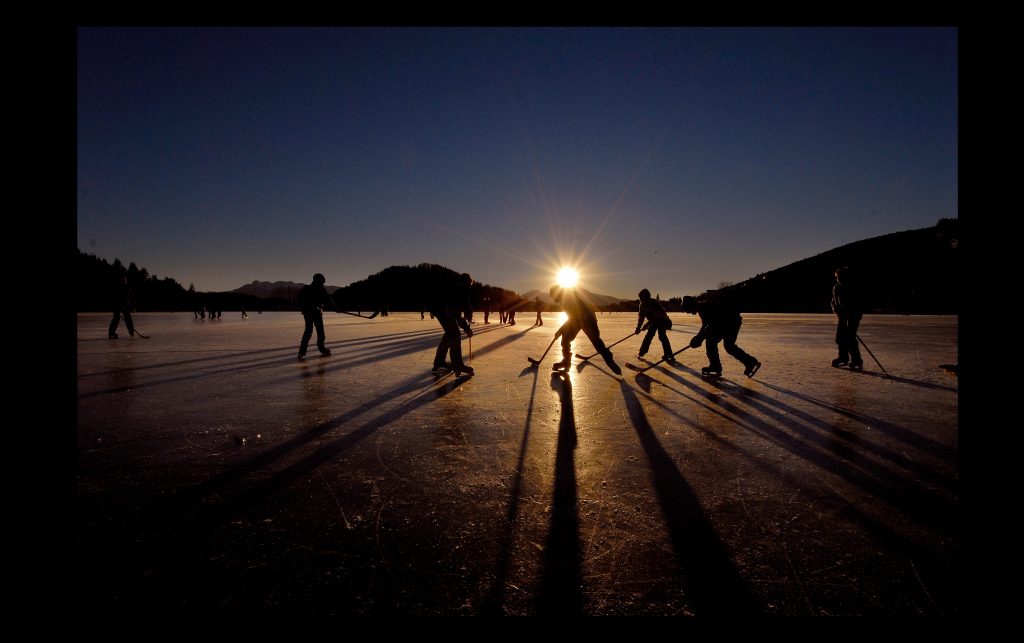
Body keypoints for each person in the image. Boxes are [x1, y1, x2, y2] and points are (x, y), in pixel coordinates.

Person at [681, 295, 761, 378]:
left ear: (690, 305)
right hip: (728, 322)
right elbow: (706, 326)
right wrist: (699, 338)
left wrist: (699, 338)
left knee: (714, 343)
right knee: (725, 345)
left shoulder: (703, 307)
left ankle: (716, 366)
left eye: (687, 310)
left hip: (730, 322)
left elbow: (709, 326)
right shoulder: (701, 307)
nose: (688, 312)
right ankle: (749, 362)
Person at [550, 285, 621, 375]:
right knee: (566, 339)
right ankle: (566, 362)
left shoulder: (567, 299)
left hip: (587, 320)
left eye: (552, 296)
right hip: (579, 320)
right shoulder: (565, 298)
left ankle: (610, 361)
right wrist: (561, 330)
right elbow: (573, 318)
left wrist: (560, 330)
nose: (552, 299)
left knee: (596, 341)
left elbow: (572, 318)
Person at [429, 272, 475, 376]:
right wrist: (467, 327)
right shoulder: (460, 290)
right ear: (467, 283)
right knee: (454, 334)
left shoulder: (457, 288)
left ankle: (440, 362)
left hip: (439, 308)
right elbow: (457, 315)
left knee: (451, 334)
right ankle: (456, 365)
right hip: (441, 308)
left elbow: (457, 315)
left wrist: (466, 327)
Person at [297, 273, 339, 359]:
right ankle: (302, 350)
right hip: (308, 312)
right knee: (308, 331)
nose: (322, 284)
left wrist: (335, 307)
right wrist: (306, 306)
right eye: (321, 282)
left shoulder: (322, 290)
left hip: (317, 313)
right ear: (316, 281)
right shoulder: (307, 288)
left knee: (321, 332)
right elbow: (299, 299)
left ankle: (321, 348)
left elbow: (328, 300)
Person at [831, 266, 864, 370]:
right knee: (840, 337)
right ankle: (843, 357)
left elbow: (858, 304)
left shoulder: (854, 288)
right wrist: (836, 310)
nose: (838, 279)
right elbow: (834, 302)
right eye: (837, 277)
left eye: (840, 277)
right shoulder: (836, 288)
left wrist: (850, 313)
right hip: (842, 316)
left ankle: (856, 360)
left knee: (850, 337)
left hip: (853, 316)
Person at [634, 288, 674, 361]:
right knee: (648, 336)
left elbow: (659, 315)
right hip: (653, 322)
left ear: (647, 297)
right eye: (640, 298)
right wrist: (638, 327)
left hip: (662, 320)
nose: (641, 299)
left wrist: (647, 324)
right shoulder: (642, 305)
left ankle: (668, 354)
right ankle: (641, 353)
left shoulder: (654, 303)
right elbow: (641, 317)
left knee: (662, 336)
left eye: (642, 297)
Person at [108, 274, 136, 339]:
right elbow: (115, 297)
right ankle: (111, 333)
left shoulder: (127, 287)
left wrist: (133, 305)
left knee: (128, 318)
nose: (124, 280)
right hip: (117, 305)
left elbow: (131, 296)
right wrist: (118, 305)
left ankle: (131, 331)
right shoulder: (117, 287)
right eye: (123, 279)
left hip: (125, 305)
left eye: (125, 279)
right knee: (116, 318)